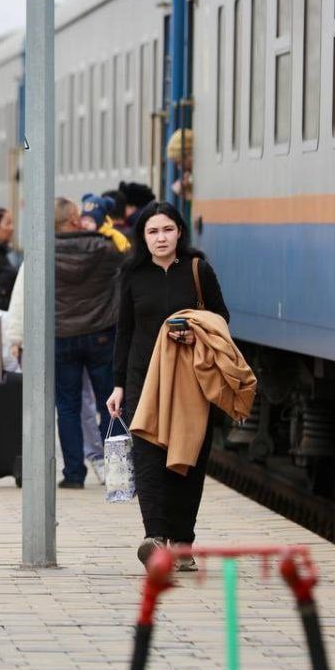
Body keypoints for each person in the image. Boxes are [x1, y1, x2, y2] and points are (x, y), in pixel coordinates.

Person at [106, 202, 229, 571]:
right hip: (143, 378)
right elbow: (124, 331)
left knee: (187, 462)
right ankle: (155, 538)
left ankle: (183, 542)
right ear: (143, 237)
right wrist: (117, 385)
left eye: (168, 230)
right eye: (153, 232)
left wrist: (195, 332)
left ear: (179, 232)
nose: (161, 238)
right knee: (148, 459)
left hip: (190, 380)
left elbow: (222, 317)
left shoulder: (197, 270)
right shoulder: (132, 275)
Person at [52, 197, 122, 488]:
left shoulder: (46, 252)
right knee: (112, 404)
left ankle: (73, 475)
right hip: (101, 334)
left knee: (67, 407)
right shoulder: (104, 249)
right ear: (74, 219)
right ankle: (118, 475)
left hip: (62, 336)